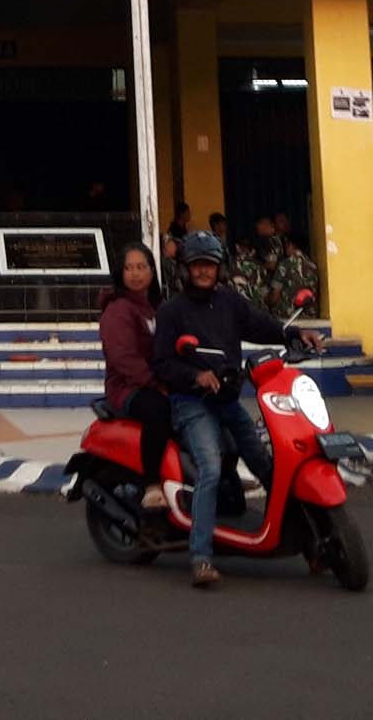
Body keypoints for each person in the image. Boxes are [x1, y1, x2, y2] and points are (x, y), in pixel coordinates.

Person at [151, 230, 289, 589]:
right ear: (185, 269)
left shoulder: (230, 302)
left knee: (264, 461)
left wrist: (295, 334)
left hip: (227, 399)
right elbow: (162, 365)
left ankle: (296, 533)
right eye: (196, 265)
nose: (203, 271)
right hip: (191, 403)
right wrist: (196, 377)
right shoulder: (172, 311)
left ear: (219, 269)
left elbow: (260, 324)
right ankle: (201, 558)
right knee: (209, 468)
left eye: (209, 265)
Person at [97, 241, 169, 482]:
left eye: (141, 267)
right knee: (159, 409)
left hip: (158, 380)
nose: (136, 274)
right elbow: (123, 357)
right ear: (120, 273)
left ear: (152, 271)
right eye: (129, 268)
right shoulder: (118, 310)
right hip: (128, 387)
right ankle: (152, 483)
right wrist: (155, 383)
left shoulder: (158, 307)